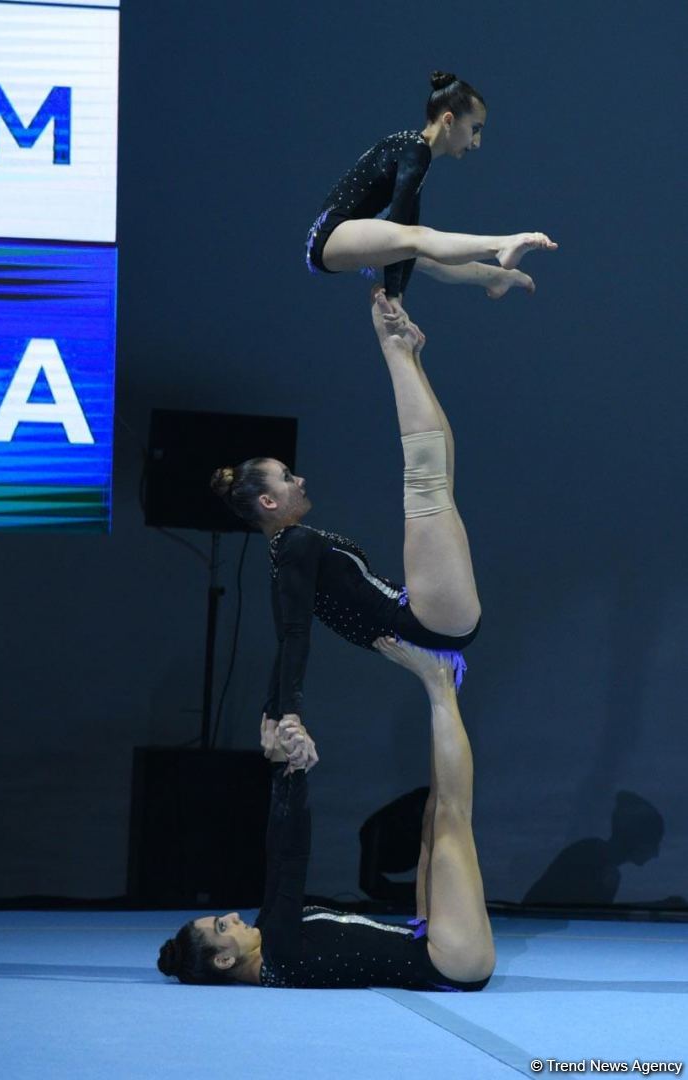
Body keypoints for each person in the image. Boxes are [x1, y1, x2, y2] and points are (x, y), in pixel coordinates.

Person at [210, 290, 481, 746]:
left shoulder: (290, 551)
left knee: (437, 481)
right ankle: (394, 350)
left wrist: (274, 711)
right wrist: (288, 712)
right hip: (422, 618)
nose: (301, 481)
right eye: (287, 477)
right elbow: (293, 633)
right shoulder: (292, 547)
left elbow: (289, 635)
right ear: (268, 503)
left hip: (427, 617)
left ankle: (408, 356)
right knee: (427, 481)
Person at [157, 637, 495, 991]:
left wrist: (280, 765)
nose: (231, 916)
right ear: (224, 960)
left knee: (434, 813)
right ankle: (440, 683)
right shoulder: (281, 958)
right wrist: (297, 774)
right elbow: (292, 860)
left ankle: (439, 683)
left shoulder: (271, 935)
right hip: (450, 960)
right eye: (222, 928)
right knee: (451, 815)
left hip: (427, 938)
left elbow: (276, 854)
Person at [306, 70, 558, 302]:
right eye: (475, 129)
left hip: (348, 237)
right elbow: (402, 226)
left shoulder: (416, 151)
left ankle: (495, 276)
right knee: (419, 239)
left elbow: (407, 225)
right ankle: (500, 245)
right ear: (448, 120)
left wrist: (397, 290)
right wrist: (395, 296)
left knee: (423, 250)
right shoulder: (415, 151)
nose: (477, 142)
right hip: (330, 235)